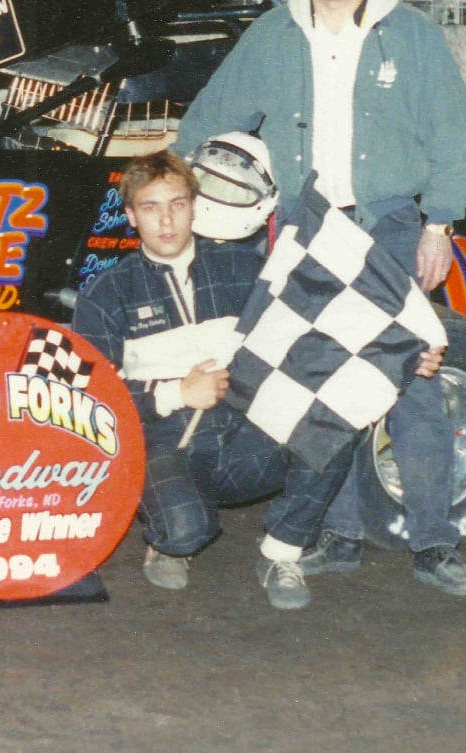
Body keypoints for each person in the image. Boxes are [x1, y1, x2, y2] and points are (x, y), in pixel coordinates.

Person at [174, 0, 466, 597]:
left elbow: (456, 139)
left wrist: (439, 223)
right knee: (320, 388)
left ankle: (436, 542)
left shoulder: (411, 37)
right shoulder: (271, 35)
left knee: (413, 381)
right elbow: (207, 121)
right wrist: (186, 186)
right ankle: (338, 533)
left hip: (388, 226)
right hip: (305, 227)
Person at [73, 150, 362, 611]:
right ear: (130, 216)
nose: (166, 220)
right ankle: (170, 533)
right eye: (150, 208)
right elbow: (91, 402)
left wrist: (401, 354)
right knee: (186, 532)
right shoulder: (105, 293)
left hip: (241, 438)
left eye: (178, 204)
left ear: (195, 205)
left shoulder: (243, 269)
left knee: (336, 420)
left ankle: (281, 551)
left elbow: (316, 328)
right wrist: (175, 393)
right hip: (164, 443)